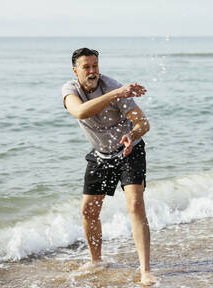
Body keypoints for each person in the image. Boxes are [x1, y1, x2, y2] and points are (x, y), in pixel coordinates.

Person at [62, 48, 156, 285]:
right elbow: (80, 111)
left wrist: (132, 134)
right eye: (87, 67)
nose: (93, 71)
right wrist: (115, 95)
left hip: (128, 150)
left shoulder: (113, 86)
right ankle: (96, 261)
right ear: (76, 71)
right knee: (88, 211)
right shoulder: (71, 90)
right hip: (100, 154)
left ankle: (145, 270)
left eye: (95, 65)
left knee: (135, 204)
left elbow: (143, 123)